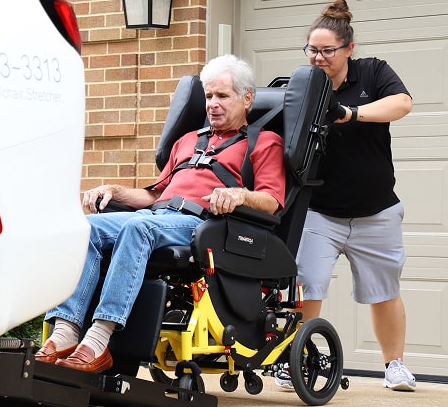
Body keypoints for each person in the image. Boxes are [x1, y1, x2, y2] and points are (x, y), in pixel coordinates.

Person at [36, 54, 286, 372]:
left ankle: (99, 340)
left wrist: (238, 195)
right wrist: (115, 190)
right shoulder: (187, 141)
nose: (212, 104)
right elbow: (154, 194)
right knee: (85, 227)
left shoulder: (264, 143)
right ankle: (66, 331)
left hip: (204, 224)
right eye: (209, 96)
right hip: (158, 214)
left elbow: (272, 200)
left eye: (222, 96)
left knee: (138, 229)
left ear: (247, 98)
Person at [284, 0, 416, 391]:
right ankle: (297, 363)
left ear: (348, 49)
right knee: (306, 285)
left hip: (376, 211)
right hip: (320, 213)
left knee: (384, 291)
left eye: (327, 50)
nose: (319, 57)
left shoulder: (372, 72)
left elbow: (402, 104)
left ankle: (395, 366)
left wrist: (351, 113)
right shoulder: (303, 83)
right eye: (312, 50)